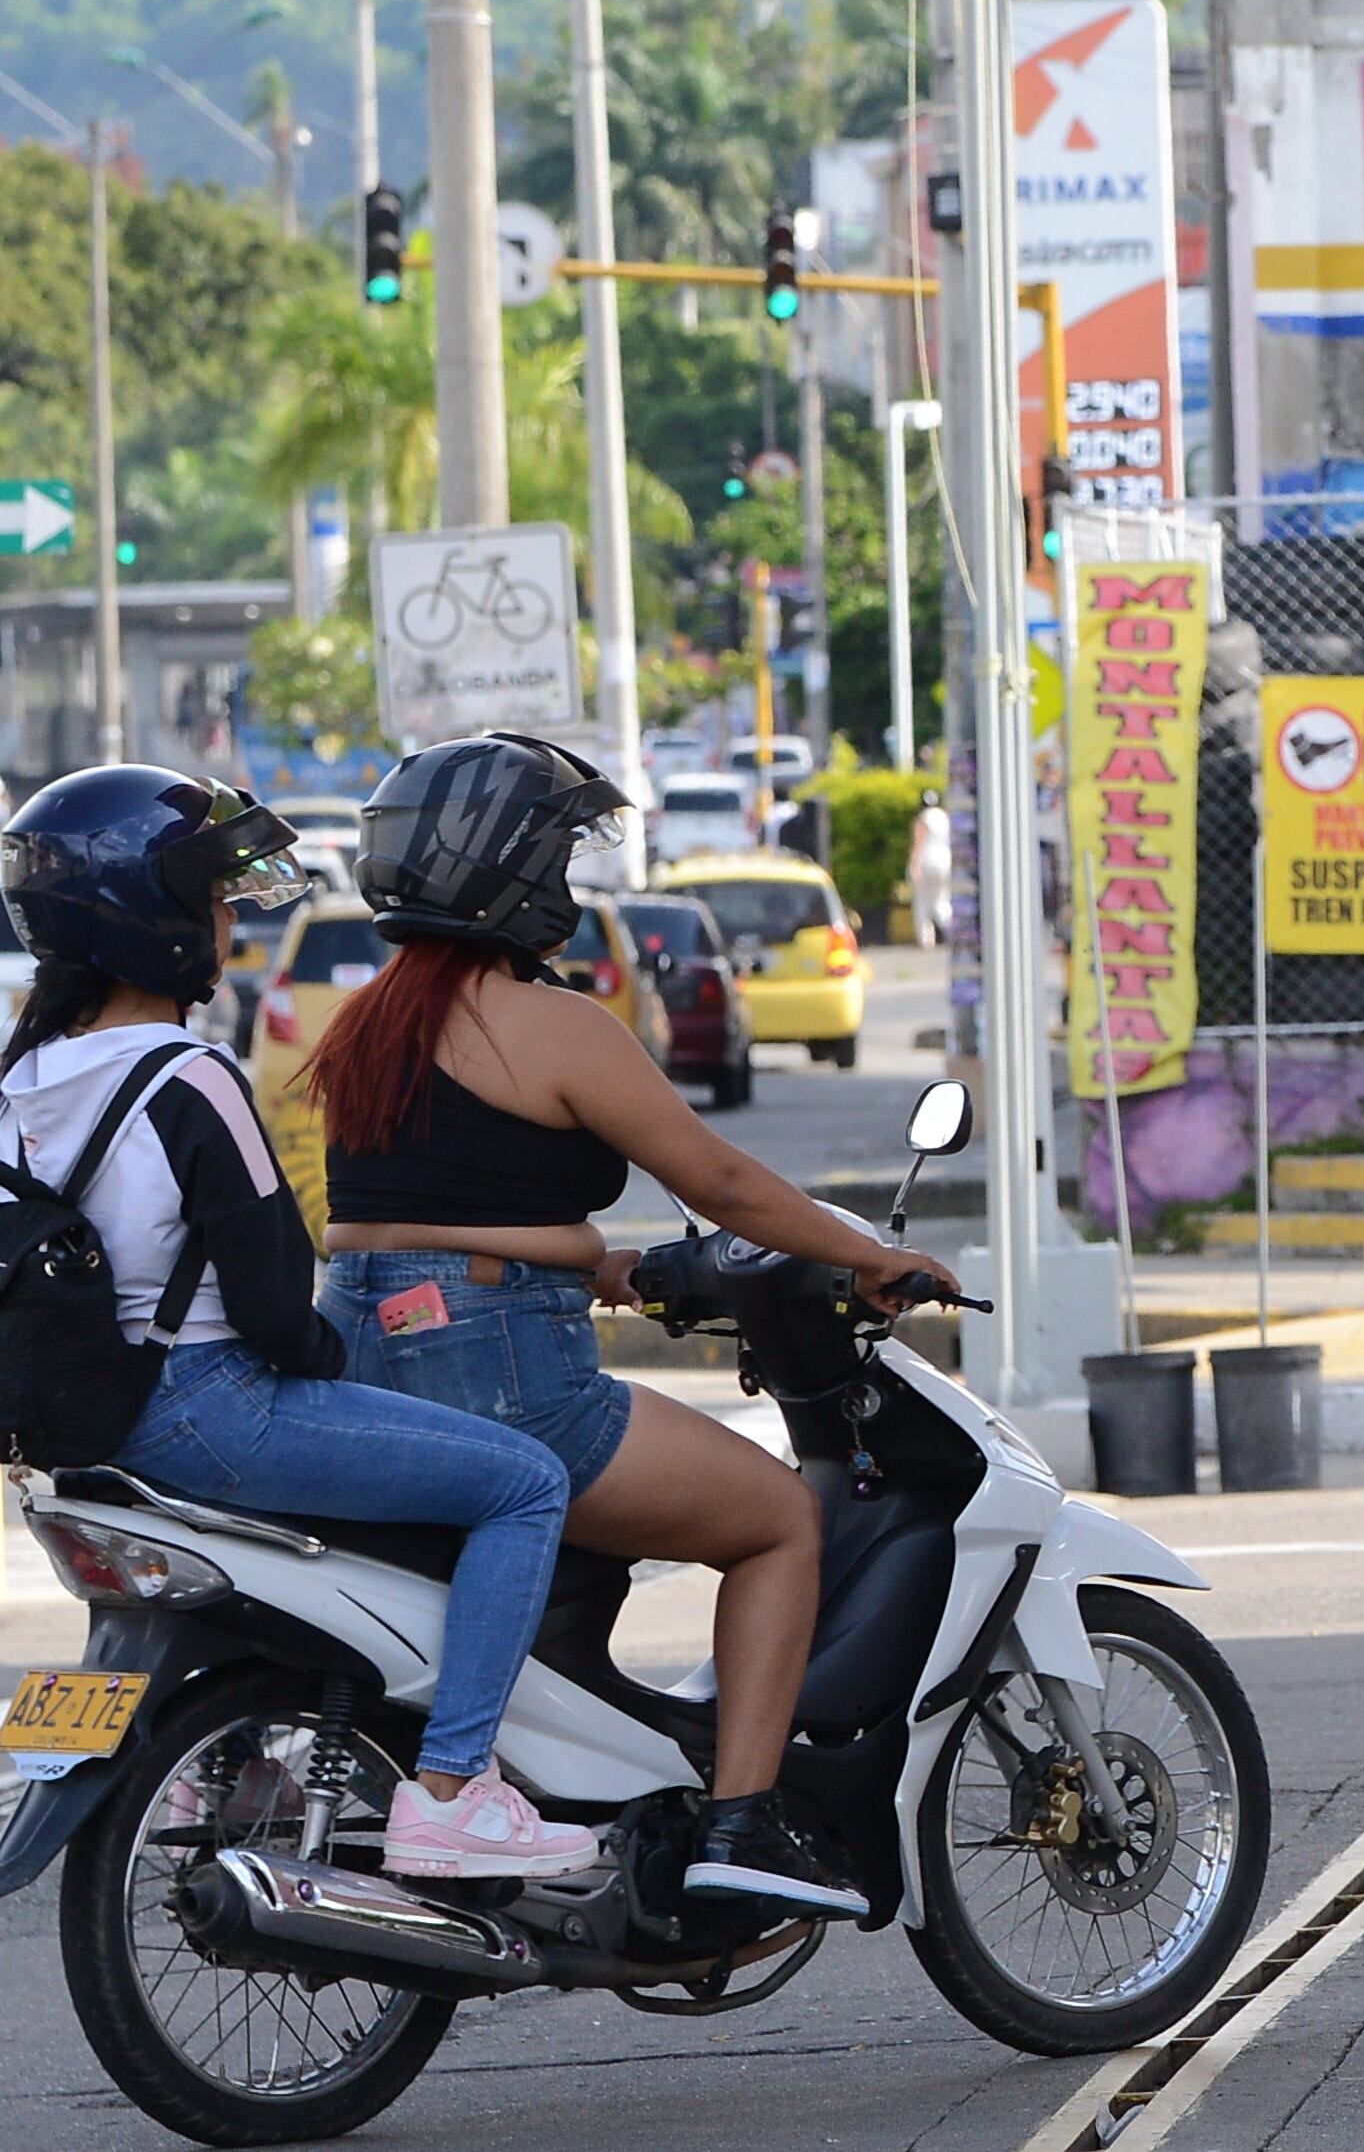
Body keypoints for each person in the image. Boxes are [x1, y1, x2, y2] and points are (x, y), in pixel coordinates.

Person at [308, 733, 959, 1918]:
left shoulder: (366, 1024)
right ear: (514, 873)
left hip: (366, 1354)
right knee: (772, 1520)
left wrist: (591, 1260)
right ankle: (746, 1821)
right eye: (558, 852)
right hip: (506, 1372)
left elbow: (420, 1216)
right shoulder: (549, 1022)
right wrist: (874, 1255)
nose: (569, 879)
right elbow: (721, 1180)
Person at [0, 767, 595, 1880]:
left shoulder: (20, 1078)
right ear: (157, 917)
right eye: (214, 897)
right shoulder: (192, 1074)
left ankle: (233, 1759)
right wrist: (333, 1359)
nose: (229, 919)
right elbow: (278, 1309)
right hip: (209, 1408)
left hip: (84, 1424)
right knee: (523, 1482)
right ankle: (456, 1788)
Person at [904, 793, 950, 949]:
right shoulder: (944, 817)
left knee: (922, 902)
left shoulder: (923, 818)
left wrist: (914, 865)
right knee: (941, 901)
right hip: (945, 861)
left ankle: (926, 940)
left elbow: (919, 842)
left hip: (926, 862)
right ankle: (951, 931)